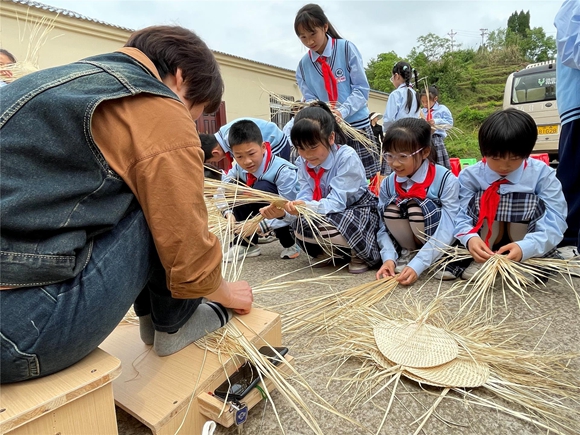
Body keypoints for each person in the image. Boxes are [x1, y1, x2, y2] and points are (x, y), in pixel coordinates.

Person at [0, 26, 253, 384]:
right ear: (181, 77)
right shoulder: (156, 103)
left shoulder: (51, 82)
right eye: (194, 112)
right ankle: (174, 324)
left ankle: (154, 320)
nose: (190, 123)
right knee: (159, 194)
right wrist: (225, 292)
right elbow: (185, 242)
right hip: (21, 333)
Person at [261, 102, 381, 274]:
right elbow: (306, 194)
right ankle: (331, 252)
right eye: (301, 148)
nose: (307, 154)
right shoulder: (302, 162)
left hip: (356, 209)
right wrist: (286, 211)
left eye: (313, 146)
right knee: (300, 225)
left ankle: (359, 252)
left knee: (331, 224)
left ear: (331, 138)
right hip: (326, 209)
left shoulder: (346, 157)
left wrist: (306, 207)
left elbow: (338, 202)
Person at [454, 109, 568, 280]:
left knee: (527, 201)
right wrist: (469, 238)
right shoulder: (471, 175)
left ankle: (524, 262)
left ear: (527, 152)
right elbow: (457, 212)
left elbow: (556, 216)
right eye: (496, 158)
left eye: (514, 158)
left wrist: (527, 247)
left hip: (526, 241)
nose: (504, 166)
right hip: (483, 240)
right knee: (480, 198)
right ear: (484, 151)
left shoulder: (542, 175)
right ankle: (482, 259)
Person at [294, 3, 379, 180]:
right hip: (329, 132)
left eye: (312, 33)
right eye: (303, 37)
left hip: (357, 127)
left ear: (325, 27)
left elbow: (361, 89)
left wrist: (342, 111)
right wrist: (324, 114)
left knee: (364, 181)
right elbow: (311, 101)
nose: (309, 41)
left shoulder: (346, 49)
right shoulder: (303, 67)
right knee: (335, 181)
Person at [375, 118, 460, 286]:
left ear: (425, 152)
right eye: (389, 155)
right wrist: (388, 258)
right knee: (391, 209)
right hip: (406, 242)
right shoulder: (388, 183)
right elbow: (382, 226)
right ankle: (408, 253)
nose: (395, 163)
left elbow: (449, 225)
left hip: (438, 243)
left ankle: (427, 257)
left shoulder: (445, 179)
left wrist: (419, 264)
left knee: (416, 207)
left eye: (403, 156)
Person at [220, 120, 301, 262]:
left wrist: (259, 225)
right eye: (239, 156)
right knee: (233, 187)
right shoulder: (238, 168)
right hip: (258, 213)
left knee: (262, 188)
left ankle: (290, 243)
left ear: (263, 147)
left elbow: (291, 210)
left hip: (284, 217)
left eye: (251, 153)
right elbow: (223, 187)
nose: (247, 161)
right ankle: (247, 244)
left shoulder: (283, 171)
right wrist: (228, 213)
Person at [554, 0, 580, 262]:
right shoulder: (573, 6)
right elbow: (573, 51)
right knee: (573, 174)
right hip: (577, 105)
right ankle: (567, 239)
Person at [201, 117, 291, 170]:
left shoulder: (229, 139)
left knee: (273, 177)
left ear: (215, 153)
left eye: (211, 161)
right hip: (269, 144)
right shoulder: (223, 134)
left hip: (276, 144)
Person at [381, 61, 420, 175]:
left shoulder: (396, 94)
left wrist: (385, 133)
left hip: (397, 137)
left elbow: (389, 119)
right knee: (410, 169)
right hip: (413, 137)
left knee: (393, 171)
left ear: (396, 76)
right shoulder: (414, 94)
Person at [419, 86, 452, 170]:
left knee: (439, 165)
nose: (425, 104)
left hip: (437, 140)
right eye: (422, 102)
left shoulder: (442, 109)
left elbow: (449, 124)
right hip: (424, 140)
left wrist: (436, 122)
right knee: (427, 165)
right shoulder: (422, 112)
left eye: (427, 101)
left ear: (435, 99)